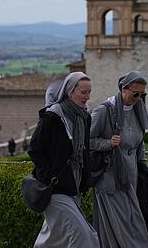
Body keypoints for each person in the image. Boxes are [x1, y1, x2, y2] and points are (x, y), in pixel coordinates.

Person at [28, 73, 99, 248]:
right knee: (85, 236)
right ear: (70, 91)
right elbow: (35, 149)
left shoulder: (84, 118)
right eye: (83, 92)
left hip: (74, 187)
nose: (87, 97)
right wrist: (48, 176)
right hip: (55, 189)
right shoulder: (52, 117)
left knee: (55, 237)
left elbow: (84, 151)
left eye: (89, 92)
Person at [89, 70, 148, 248]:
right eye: (135, 94)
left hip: (131, 178)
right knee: (124, 227)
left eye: (142, 94)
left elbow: (139, 144)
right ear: (124, 89)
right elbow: (88, 140)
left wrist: (144, 170)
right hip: (111, 180)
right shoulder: (104, 111)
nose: (138, 98)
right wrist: (108, 143)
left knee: (133, 222)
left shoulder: (138, 111)